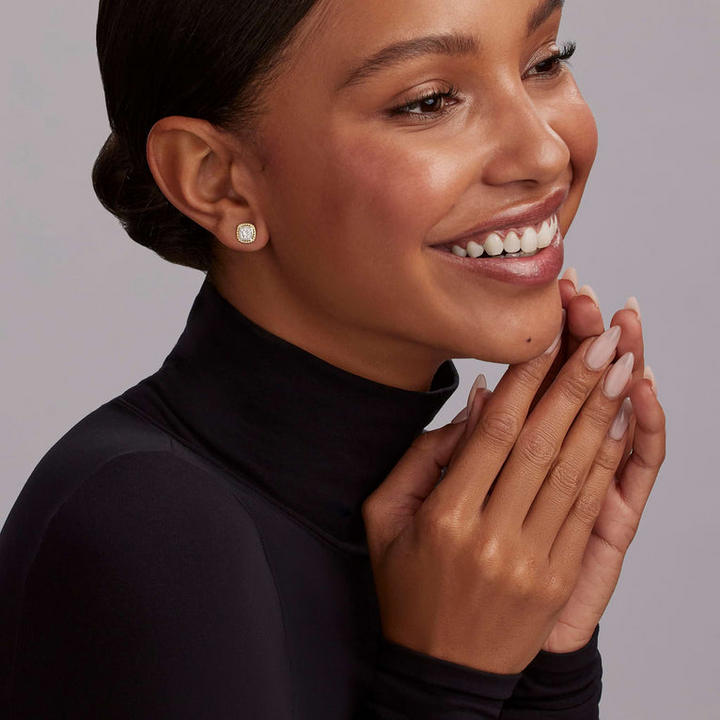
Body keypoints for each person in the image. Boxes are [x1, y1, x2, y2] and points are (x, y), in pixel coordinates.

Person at [0, 0, 666, 717]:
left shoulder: (466, 556)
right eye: (430, 101)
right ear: (216, 179)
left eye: (545, 61)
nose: (544, 153)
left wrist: (545, 659)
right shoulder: (151, 530)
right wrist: (447, 684)